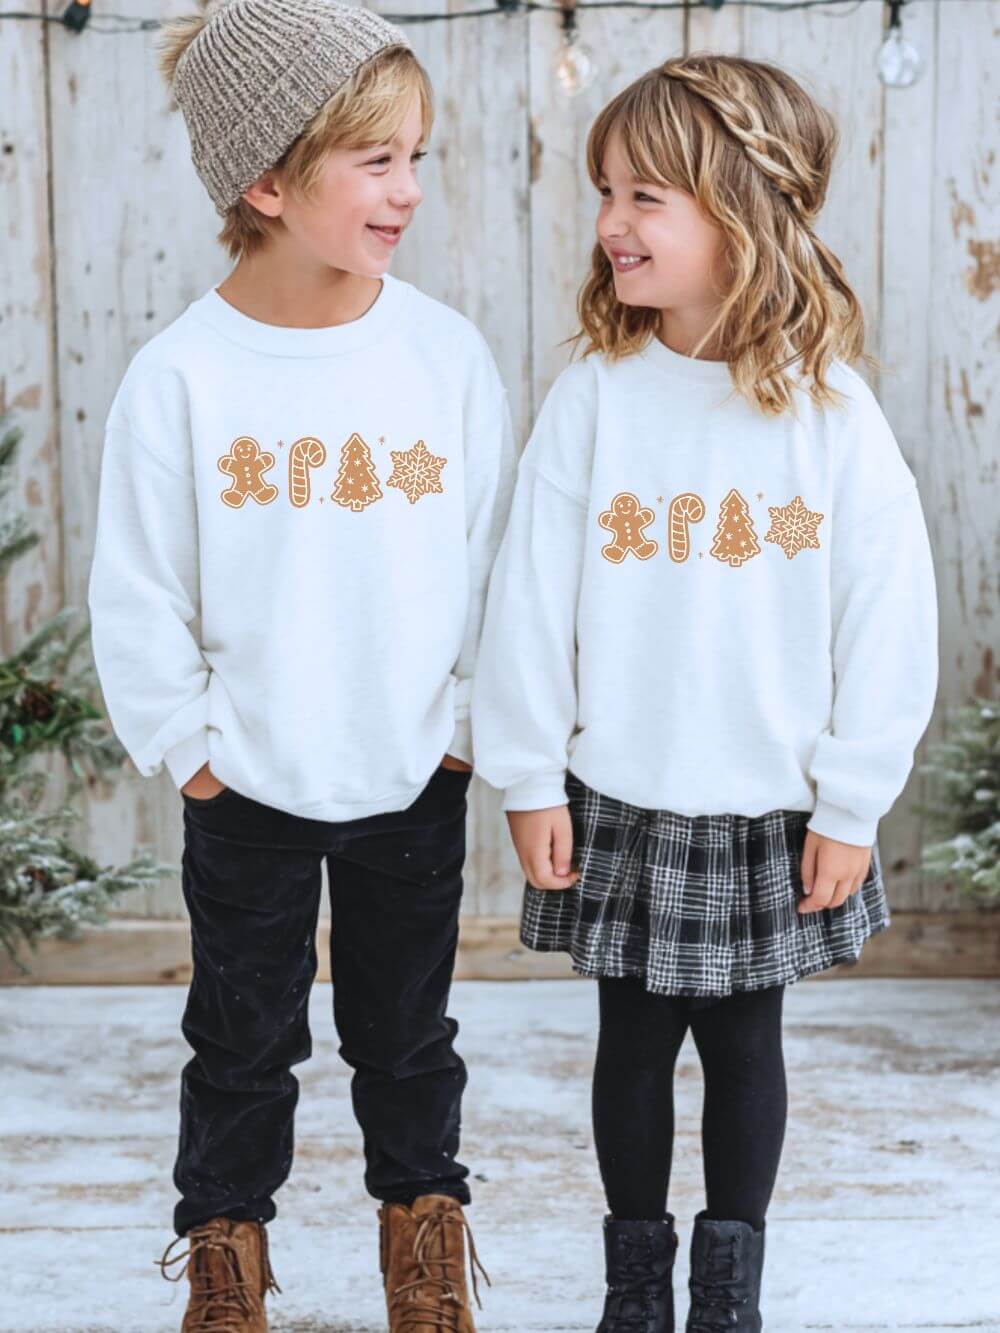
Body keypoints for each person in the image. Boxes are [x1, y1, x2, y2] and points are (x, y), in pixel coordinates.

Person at [471, 54, 938, 1333]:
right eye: (604, 192)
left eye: (645, 196)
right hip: (622, 792)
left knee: (744, 1049)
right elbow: (529, 599)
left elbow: (886, 619)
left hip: (770, 806)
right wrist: (527, 772)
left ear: (741, 210)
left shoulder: (831, 415)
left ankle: (729, 1294)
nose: (610, 223)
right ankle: (635, 1288)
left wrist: (851, 800)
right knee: (629, 1044)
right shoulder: (595, 398)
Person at [87, 2, 514, 1327]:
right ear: (268, 182)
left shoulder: (441, 357)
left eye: (416, 157)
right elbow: (139, 588)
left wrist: (461, 730)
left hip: (412, 770)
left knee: (408, 1034)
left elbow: (491, 561)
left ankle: (423, 1250)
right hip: (249, 781)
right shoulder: (184, 377)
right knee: (240, 1039)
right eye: (376, 160)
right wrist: (192, 751)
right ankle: (225, 1263)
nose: (408, 189)